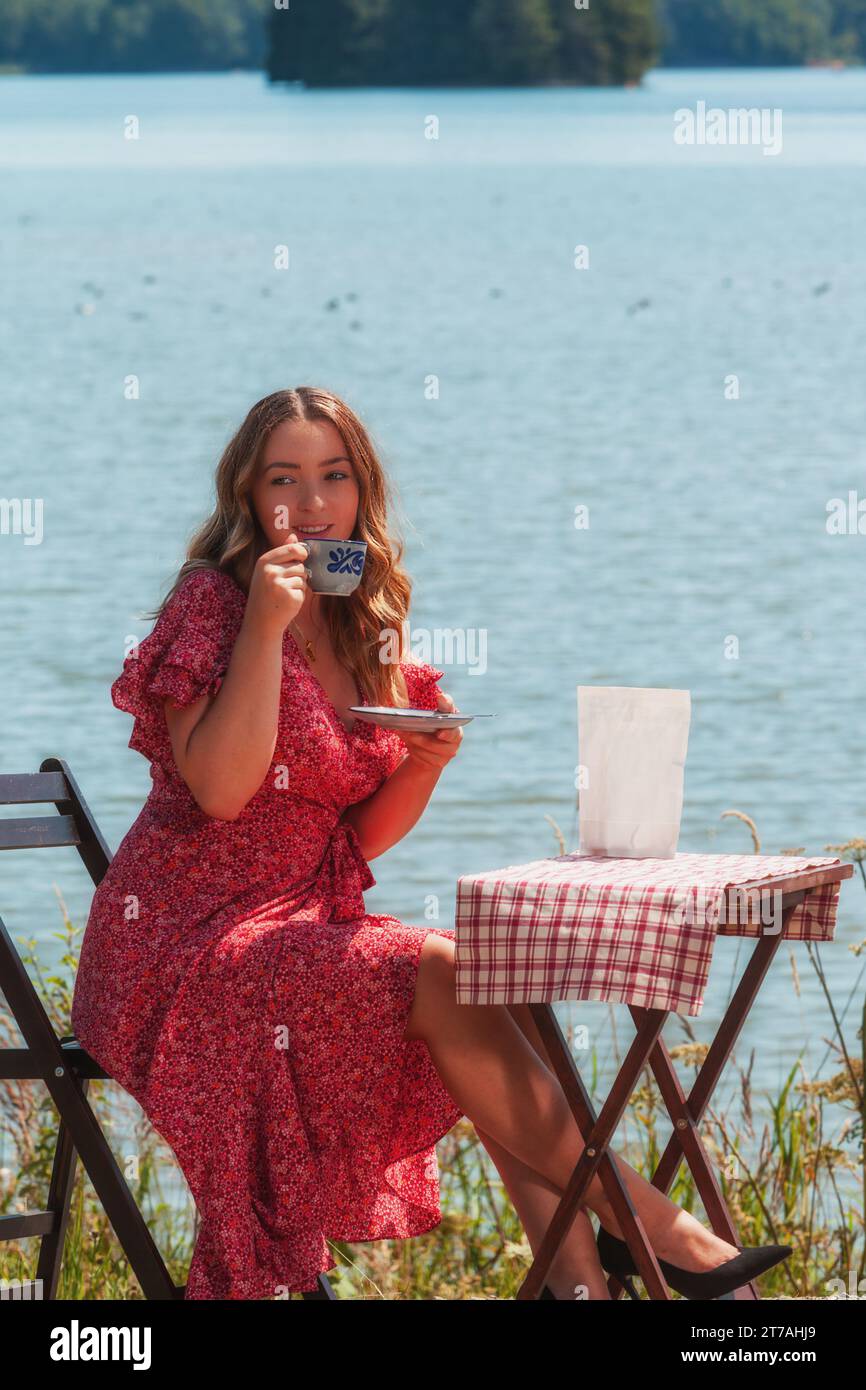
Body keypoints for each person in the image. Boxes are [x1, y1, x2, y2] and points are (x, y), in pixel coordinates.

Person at [71, 386, 789, 1301]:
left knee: (487, 983)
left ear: (362, 488)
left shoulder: (363, 615)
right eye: (283, 480)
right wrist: (263, 624)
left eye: (333, 476)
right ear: (249, 498)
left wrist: (426, 763)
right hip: (181, 949)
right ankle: (667, 1235)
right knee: (447, 971)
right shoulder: (213, 603)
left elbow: (354, 838)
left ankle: (577, 1280)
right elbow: (220, 788)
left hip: (298, 925)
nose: (313, 502)